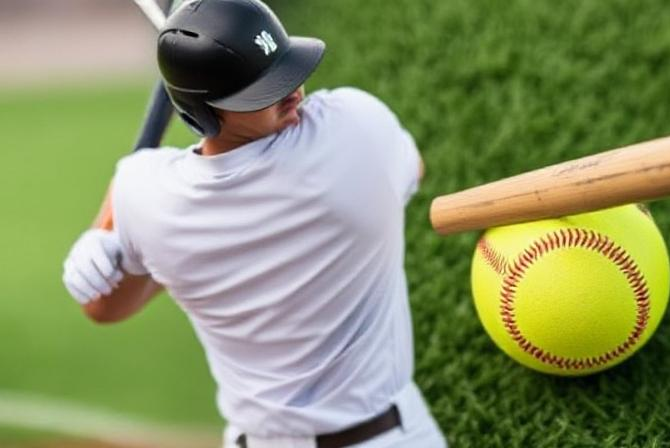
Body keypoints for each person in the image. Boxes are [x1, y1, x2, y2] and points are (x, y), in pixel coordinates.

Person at [61, 1, 446, 447]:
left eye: (286, 72)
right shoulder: (357, 127)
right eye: (263, 91)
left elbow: (105, 307)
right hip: (394, 435)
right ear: (206, 113)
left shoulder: (146, 197)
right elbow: (412, 167)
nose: (295, 92)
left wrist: (108, 231)